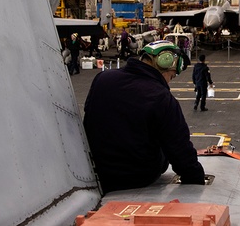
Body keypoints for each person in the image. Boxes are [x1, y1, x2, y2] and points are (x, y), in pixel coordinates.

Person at [83, 40, 206, 192]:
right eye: (171, 77)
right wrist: (196, 181)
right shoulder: (161, 97)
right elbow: (180, 150)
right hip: (136, 178)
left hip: (97, 174)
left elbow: (88, 118)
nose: (168, 83)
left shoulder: (102, 79)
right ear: (165, 61)